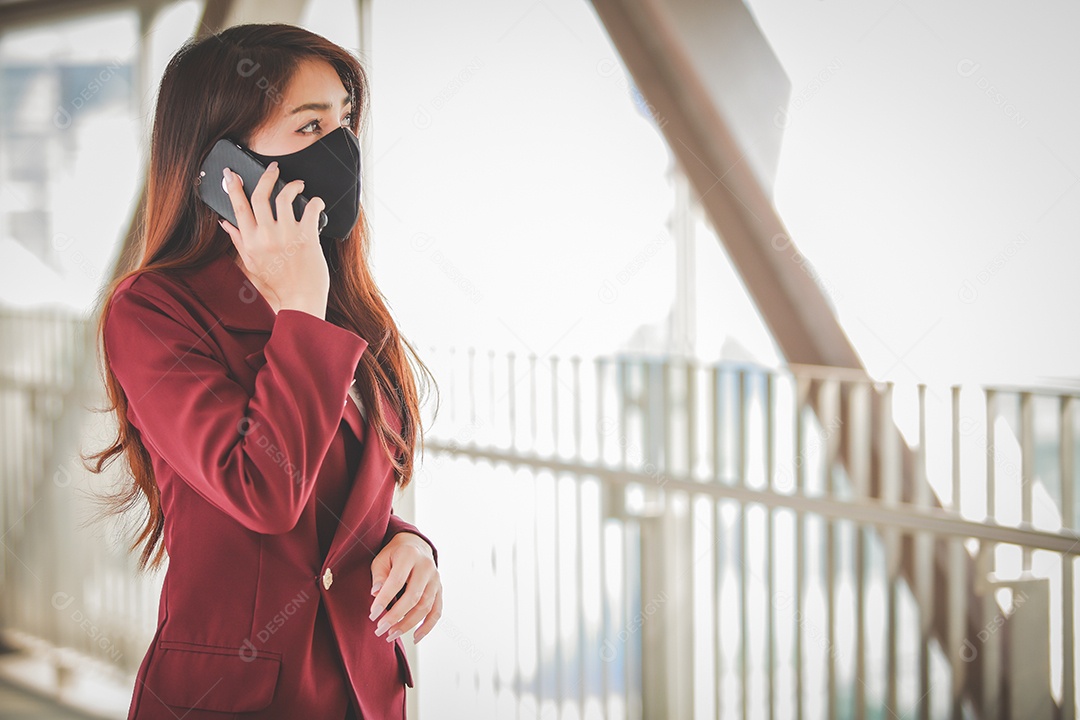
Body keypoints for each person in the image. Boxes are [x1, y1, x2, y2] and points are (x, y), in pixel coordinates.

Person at [85, 23, 443, 720]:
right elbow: (263, 489)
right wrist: (300, 311)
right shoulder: (153, 312)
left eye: (344, 121)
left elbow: (339, 490)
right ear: (225, 165)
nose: (340, 149)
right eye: (309, 125)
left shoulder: (342, 297)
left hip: (362, 693)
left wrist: (407, 542)